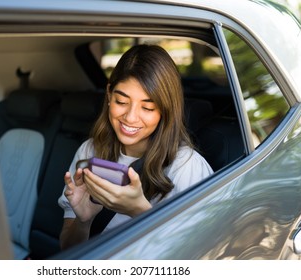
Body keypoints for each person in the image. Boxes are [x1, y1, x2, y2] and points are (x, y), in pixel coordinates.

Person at [58, 44, 213, 250]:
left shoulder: (187, 168)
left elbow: (196, 257)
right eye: (121, 101)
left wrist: (139, 211)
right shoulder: (90, 151)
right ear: (109, 94)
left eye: (147, 107)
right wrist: (83, 221)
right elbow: (68, 250)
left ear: (166, 110)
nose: (130, 117)